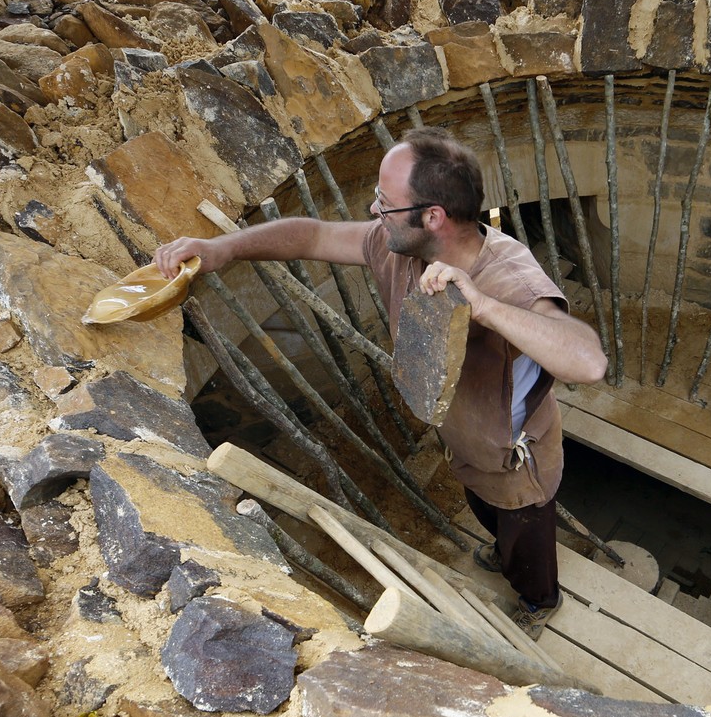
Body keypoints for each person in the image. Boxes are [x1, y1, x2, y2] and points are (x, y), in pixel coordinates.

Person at [153, 127, 607, 634]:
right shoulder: (400, 246)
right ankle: (502, 550)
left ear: (432, 215)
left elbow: (586, 362)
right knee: (487, 512)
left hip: (516, 459)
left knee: (526, 538)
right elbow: (314, 235)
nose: (373, 212)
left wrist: (481, 304)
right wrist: (224, 249)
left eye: (384, 203)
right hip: (466, 442)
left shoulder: (509, 277)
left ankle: (540, 600)